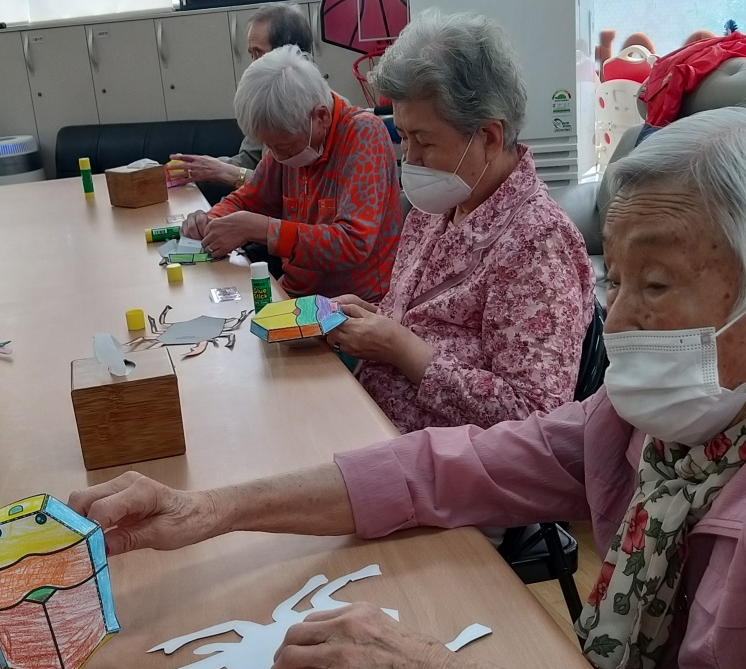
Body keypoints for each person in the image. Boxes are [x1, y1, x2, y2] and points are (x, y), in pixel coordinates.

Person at [72, 108, 746, 669]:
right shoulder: (674, 418)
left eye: (655, 285)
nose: (616, 323)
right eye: (616, 281)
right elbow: (454, 466)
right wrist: (214, 508)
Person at [325, 11, 592, 432]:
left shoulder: (538, 243)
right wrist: (371, 320)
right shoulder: (438, 208)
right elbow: (426, 320)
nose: (410, 159)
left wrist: (400, 347)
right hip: (374, 421)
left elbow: (533, 419)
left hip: (448, 461)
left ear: (489, 137)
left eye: (424, 141)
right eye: (403, 138)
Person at [182, 46, 403, 303]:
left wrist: (260, 229)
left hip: (357, 304)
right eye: (270, 147)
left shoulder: (364, 134)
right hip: (294, 296)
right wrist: (210, 221)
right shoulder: (290, 137)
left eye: (284, 147)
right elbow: (248, 200)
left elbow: (352, 243)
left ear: (321, 116)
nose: (277, 157)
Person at [168, 2, 314, 192]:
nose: (253, 66)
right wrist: (201, 167)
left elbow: (293, 188)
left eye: (259, 54)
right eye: (251, 55)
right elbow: (250, 161)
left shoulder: (322, 110)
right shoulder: (264, 101)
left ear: (291, 53)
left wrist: (227, 172)